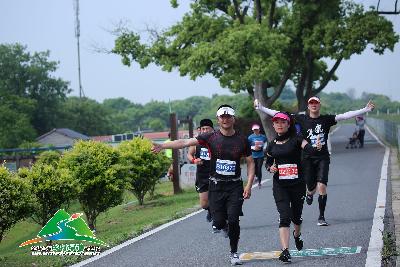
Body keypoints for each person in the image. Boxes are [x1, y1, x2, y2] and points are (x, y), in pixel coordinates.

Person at [152, 104, 255, 266]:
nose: (226, 119)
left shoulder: (242, 139)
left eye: (229, 116)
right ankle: (223, 225)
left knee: (234, 219)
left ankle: (234, 252)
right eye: (223, 117)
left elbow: (250, 163)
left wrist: (248, 185)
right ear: (218, 119)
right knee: (219, 222)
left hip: (234, 186)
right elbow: (185, 142)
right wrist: (162, 145)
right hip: (215, 186)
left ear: (233, 119)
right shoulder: (210, 137)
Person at [254, 96, 375, 226]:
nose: (313, 105)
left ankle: (321, 217)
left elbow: (344, 116)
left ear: (319, 105)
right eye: (311, 103)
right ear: (308, 106)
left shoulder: (326, 119)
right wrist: (261, 107)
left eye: (316, 103)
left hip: (322, 156)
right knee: (311, 187)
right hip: (306, 157)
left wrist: (365, 109)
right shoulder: (301, 119)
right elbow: (279, 114)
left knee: (322, 186)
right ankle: (310, 193)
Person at [265, 112, 321, 263]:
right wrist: (270, 168)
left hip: (297, 185)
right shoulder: (272, 144)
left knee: (296, 217)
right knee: (284, 217)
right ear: (273, 125)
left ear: (288, 124)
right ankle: (285, 251)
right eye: (276, 122)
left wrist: (315, 148)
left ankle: (297, 235)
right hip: (280, 185)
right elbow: (268, 162)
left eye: (283, 122)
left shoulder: (297, 139)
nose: (279, 124)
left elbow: (307, 148)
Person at [187, 119, 214, 223]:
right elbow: (189, 155)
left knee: (217, 199)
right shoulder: (196, 141)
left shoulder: (218, 140)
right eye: (203, 129)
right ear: (200, 130)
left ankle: (219, 218)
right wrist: (194, 160)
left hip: (216, 174)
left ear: (212, 129)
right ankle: (210, 210)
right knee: (204, 204)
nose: (205, 131)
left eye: (207, 128)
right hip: (202, 175)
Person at [247, 124, 268, 188]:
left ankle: (259, 182)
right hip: (253, 155)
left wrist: (264, 148)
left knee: (259, 168)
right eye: (254, 130)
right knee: (255, 168)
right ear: (253, 130)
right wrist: (253, 148)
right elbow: (248, 146)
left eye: (257, 129)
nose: (256, 131)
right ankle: (256, 176)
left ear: (259, 130)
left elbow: (265, 143)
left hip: (260, 155)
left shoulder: (263, 137)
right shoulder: (250, 137)